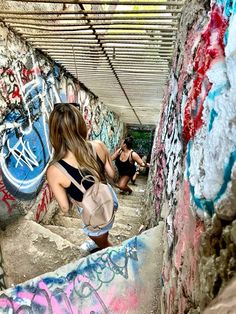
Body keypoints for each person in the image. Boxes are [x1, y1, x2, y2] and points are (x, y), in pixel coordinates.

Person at [46, 103, 118, 253]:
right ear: (80, 124)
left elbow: (65, 208)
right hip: (109, 199)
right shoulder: (98, 145)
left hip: (93, 211)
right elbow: (112, 175)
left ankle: (110, 251)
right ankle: (102, 239)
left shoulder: (54, 170)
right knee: (105, 223)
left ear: (54, 132)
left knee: (105, 243)